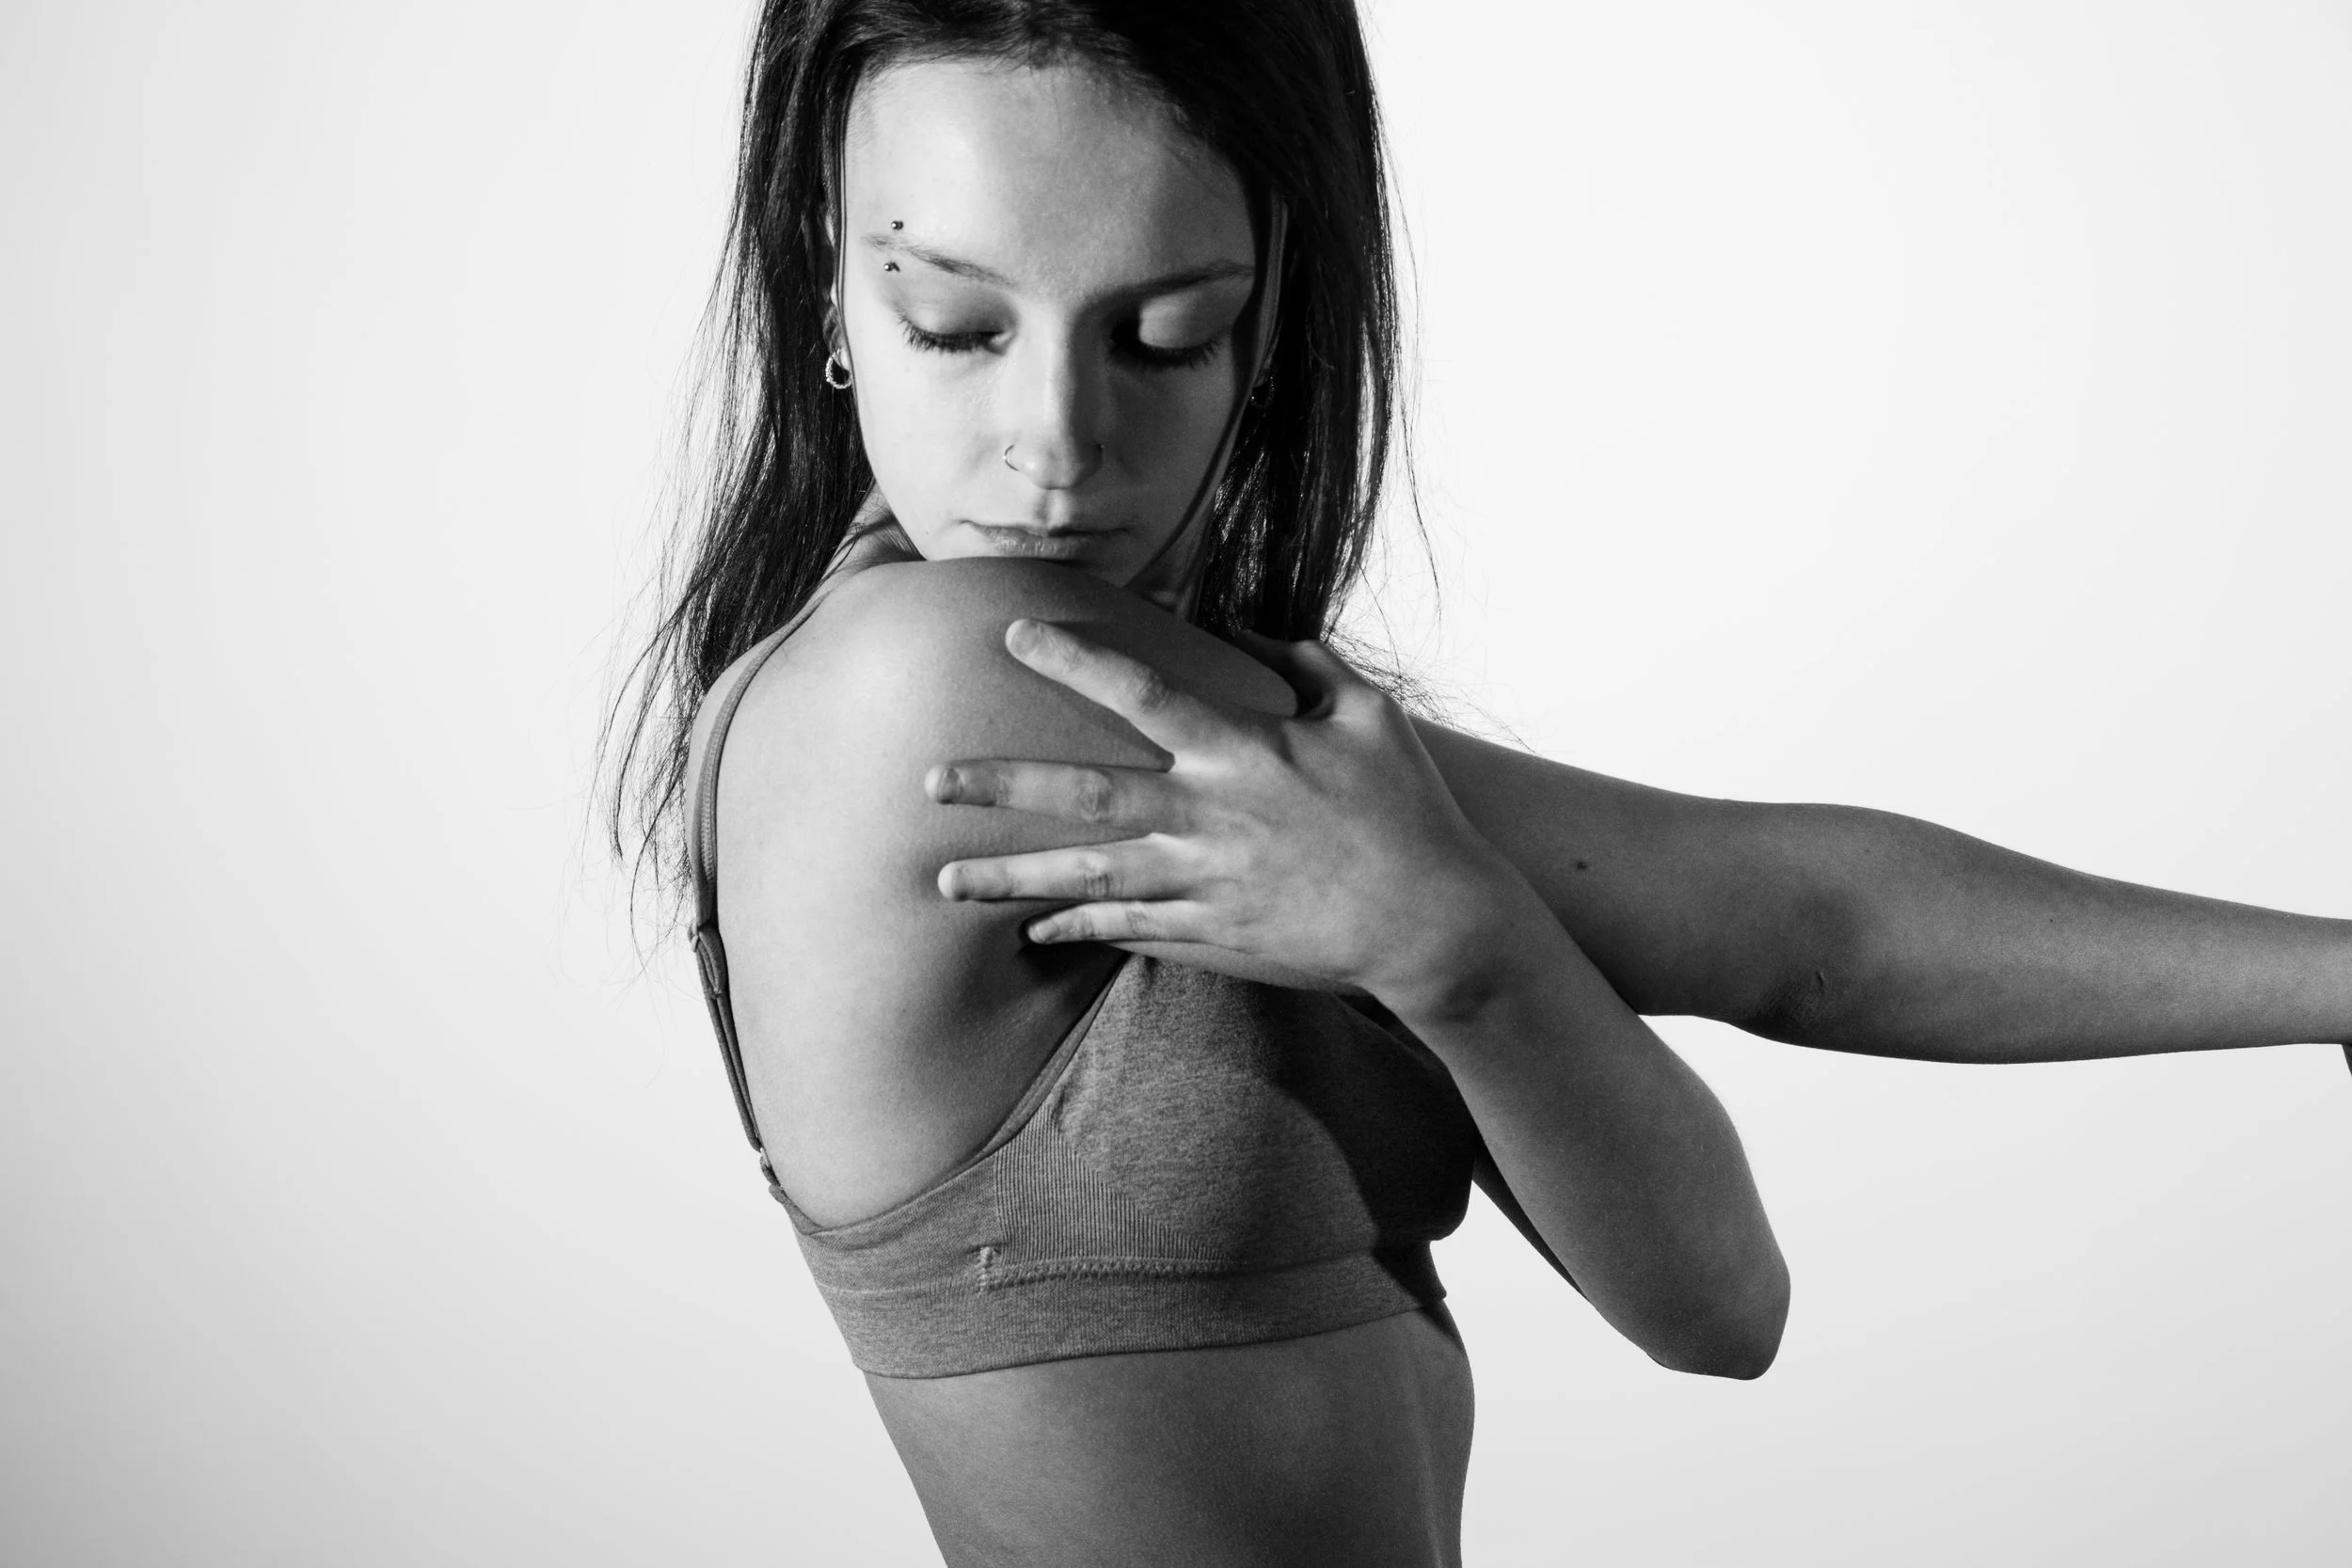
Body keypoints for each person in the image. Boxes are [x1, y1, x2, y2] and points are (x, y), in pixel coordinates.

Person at [605, 3, 2352, 1562]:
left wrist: (1463, 954)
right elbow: (1799, 927)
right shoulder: (932, 688)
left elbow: (1720, 1308)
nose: (1056, 447)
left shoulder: (1251, 767)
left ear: (1275, 303)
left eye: (1166, 332)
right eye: (951, 324)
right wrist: (1450, 940)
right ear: (828, 278)